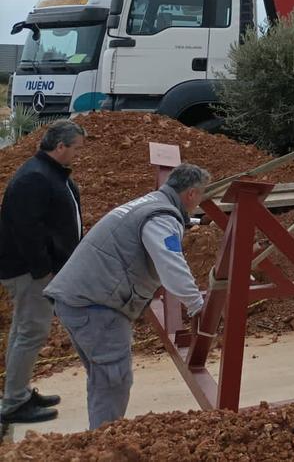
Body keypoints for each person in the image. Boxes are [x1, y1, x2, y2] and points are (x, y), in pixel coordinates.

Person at [44, 163, 210, 429]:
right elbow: (171, 264)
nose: (199, 201)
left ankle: (97, 437)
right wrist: (196, 304)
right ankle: (105, 441)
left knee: (103, 378)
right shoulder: (162, 217)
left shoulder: (149, 204)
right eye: (200, 195)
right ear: (191, 193)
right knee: (114, 380)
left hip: (78, 299)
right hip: (97, 306)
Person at [0, 120, 86, 428]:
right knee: (31, 331)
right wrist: (43, 271)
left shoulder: (48, 172)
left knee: (24, 329)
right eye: (76, 148)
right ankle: (14, 402)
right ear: (60, 146)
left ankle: (19, 392)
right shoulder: (35, 178)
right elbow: (27, 231)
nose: (78, 154)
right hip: (29, 272)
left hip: (35, 269)